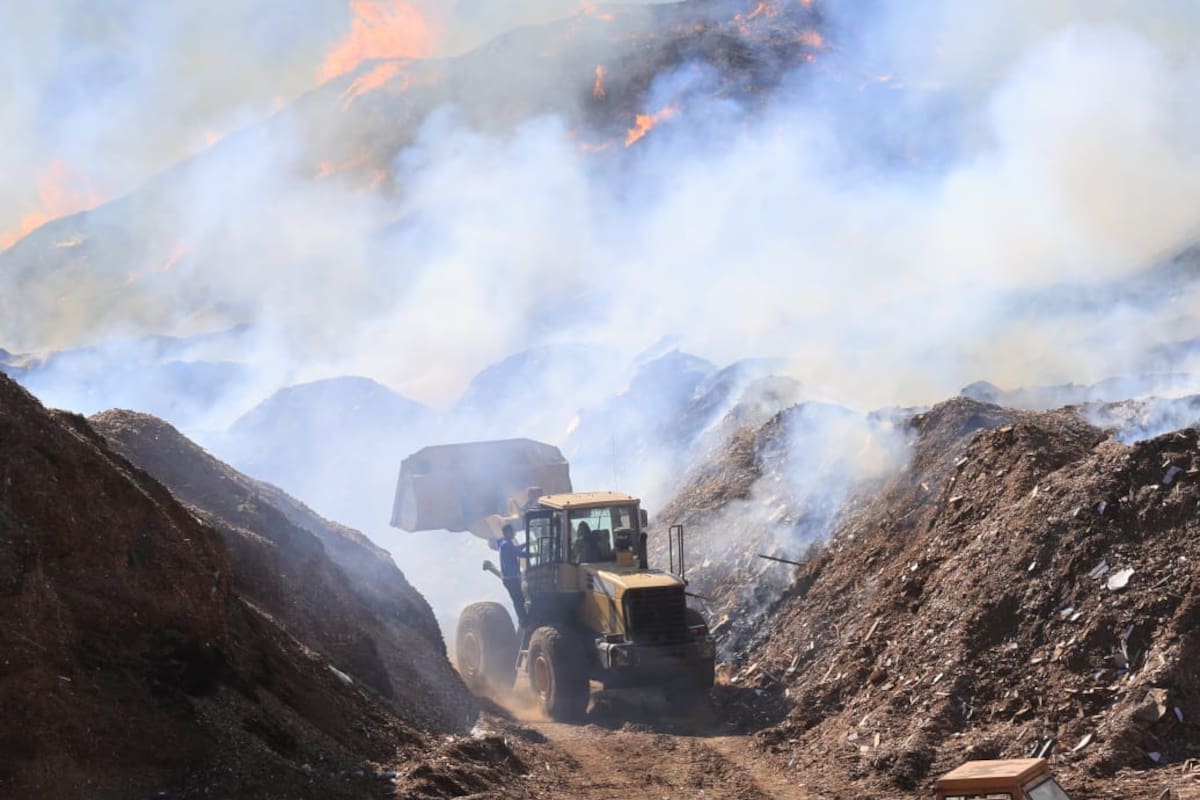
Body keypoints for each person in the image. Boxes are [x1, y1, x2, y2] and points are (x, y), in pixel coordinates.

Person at [496, 523, 528, 626]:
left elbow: (516, 549)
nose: (514, 533)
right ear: (507, 532)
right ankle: (524, 621)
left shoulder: (506, 543)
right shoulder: (506, 545)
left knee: (519, 599)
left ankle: (524, 619)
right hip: (511, 578)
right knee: (518, 599)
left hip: (510, 578)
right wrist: (533, 554)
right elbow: (518, 553)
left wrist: (526, 544)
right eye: (512, 531)